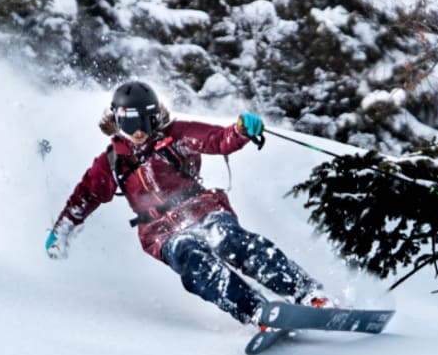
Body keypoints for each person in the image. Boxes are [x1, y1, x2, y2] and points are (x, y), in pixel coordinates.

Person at [45, 80, 331, 327]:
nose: (138, 131)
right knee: (190, 256)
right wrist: (63, 228)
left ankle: (308, 294)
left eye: (144, 121)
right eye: (130, 123)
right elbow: (86, 195)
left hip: (201, 208)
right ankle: (257, 312)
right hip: (159, 230)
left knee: (228, 238)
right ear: (118, 122)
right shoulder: (112, 161)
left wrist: (241, 131)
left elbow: (217, 140)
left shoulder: (176, 136)